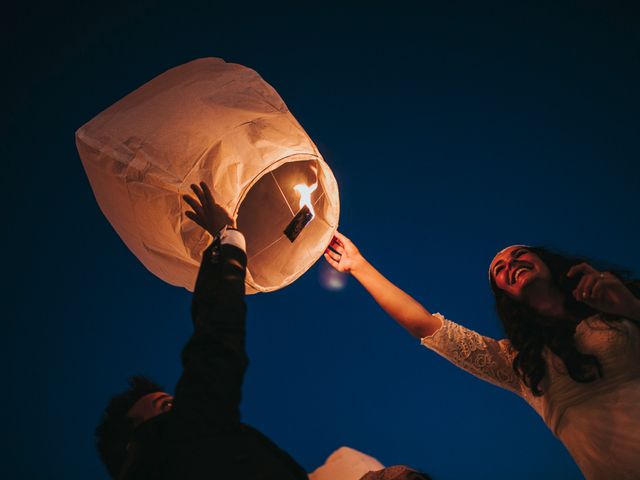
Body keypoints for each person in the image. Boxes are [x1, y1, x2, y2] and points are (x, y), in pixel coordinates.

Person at [95, 183, 432, 480]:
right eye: (167, 407)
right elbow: (216, 344)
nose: (186, 405)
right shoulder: (185, 441)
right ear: (131, 439)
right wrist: (228, 240)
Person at [324, 233, 640, 480]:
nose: (510, 264)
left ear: (546, 262)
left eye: (519, 255)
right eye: (499, 270)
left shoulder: (617, 306)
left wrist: (628, 307)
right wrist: (358, 265)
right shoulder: (518, 363)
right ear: (505, 297)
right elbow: (424, 325)